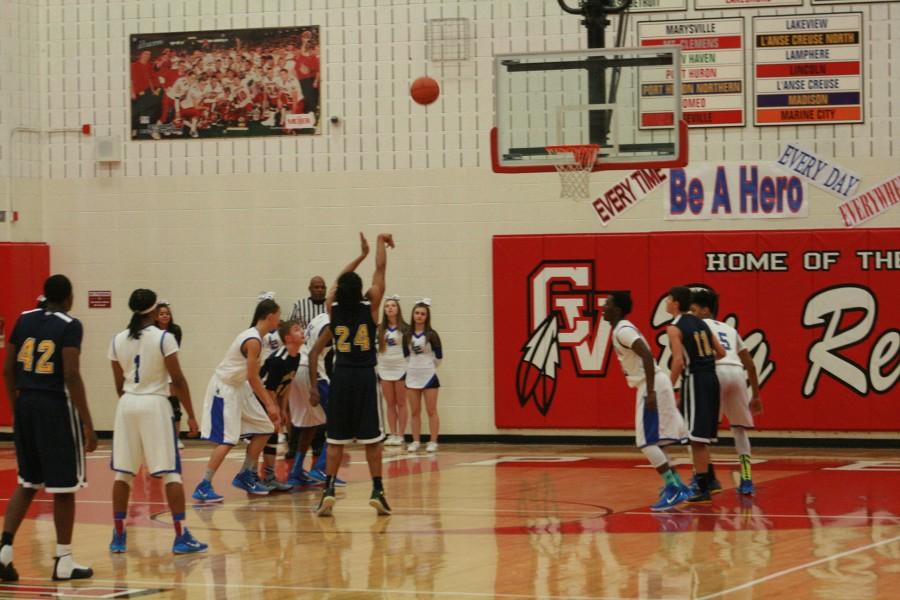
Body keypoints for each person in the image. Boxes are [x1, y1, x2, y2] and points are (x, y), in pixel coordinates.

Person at [0, 274, 98, 581]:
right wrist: (88, 423)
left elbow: (6, 369)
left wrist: (17, 411)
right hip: (55, 407)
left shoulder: (24, 319)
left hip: (26, 403)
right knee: (64, 488)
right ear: (68, 297)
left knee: (28, 481)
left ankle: (3, 550)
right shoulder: (70, 325)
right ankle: (64, 559)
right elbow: (70, 372)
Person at [108, 289, 207, 554]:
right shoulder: (164, 338)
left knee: (124, 474)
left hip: (127, 404)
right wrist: (192, 416)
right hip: (155, 404)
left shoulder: (117, 339)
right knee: (170, 473)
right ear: (153, 311)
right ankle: (180, 536)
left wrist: (133, 397)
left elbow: (118, 385)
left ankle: (118, 536)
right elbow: (179, 379)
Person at [310, 232, 394, 516]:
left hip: (341, 375)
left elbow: (337, 281)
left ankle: (328, 490)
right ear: (360, 290)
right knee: (372, 441)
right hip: (365, 377)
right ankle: (377, 490)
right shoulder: (369, 307)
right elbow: (380, 271)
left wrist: (360, 256)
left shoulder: (331, 309)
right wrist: (379, 244)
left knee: (335, 440)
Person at [603, 291, 690, 511]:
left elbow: (646, 356)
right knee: (656, 442)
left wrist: (650, 391)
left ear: (617, 309)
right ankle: (678, 484)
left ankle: (673, 488)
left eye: (607, 304)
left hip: (651, 385)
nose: (603, 307)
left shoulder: (623, 330)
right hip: (654, 384)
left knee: (645, 442)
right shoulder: (622, 329)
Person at [192, 299, 283, 502]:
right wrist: (270, 403)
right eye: (278, 315)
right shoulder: (252, 340)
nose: (279, 319)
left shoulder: (259, 338)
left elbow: (251, 378)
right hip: (226, 389)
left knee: (265, 427)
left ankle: (245, 474)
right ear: (270, 316)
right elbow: (253, 376)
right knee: (228, 440)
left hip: (240, 387)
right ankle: (204, 484)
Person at [690, 289, 763, 496]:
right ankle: (747, 479)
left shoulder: (696, 325)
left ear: (705, 310)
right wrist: (756, 395)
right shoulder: (730, 329)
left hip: (715, 372)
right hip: (737, 373)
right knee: (739, 429)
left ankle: (702, 476)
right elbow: (750, 364)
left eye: (694, 309)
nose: (692, 313)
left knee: (698, 433)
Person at [665, 285, 725, 504]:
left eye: (669, 298)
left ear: (676, 303)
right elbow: (721, 352)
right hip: (712, 378)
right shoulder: (701, 322)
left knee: (696, 439)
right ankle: (709, 481)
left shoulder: (674, 327)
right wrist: (704, 361)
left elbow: (679, 361)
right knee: (701, 435)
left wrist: (668, 388)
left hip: (696, 380)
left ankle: (701, 487)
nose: (666, 302)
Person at [258, 320, 304, 492]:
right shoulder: (279, 360)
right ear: (288, 338)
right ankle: (252, 475)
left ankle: (269, 477)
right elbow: (269, 389)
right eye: (297, 329)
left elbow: (287, 385)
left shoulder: (296, 356)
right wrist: (275, 410)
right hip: (258, 398)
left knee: (273, 436)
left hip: (271, 398)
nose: (302, 331)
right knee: (261, 437)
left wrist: (284, 409)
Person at [404, 300, 443, 453]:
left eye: (422, 314)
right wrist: (415, 366)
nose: (419, 316)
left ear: (427, 317)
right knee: (414, 411)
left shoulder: (432, 334)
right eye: (417, 313)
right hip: (412, 375)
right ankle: (415, 440)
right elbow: (406, 355)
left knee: (431, 410)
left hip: (429, 376)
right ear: (413, 315)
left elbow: (439, 357)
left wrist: (427, 366)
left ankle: (433, 441)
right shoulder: (407, 334)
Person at [377, 295, 409, 446]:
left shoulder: (405, 328)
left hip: (401, 368)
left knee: (401, 403)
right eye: (387, 306)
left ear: (398, 309)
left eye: (393, 305)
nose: (390, 308)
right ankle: (393, 433)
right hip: (384, 368)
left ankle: (401, 435)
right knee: (389, 403)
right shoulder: (380, 329)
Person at [156, 301, 186, 449]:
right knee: (159, 405)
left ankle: (176, 438)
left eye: (167, 313)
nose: (165, 316)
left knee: (175, 404)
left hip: (170, 369)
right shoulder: (151, 332)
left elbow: (174, 351)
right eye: (161, 314)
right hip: (155, 371)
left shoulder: (175, 330)